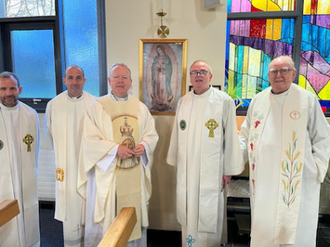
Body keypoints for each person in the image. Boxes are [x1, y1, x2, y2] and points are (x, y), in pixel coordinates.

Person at [239, 55, 330, 247]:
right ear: (268, 75)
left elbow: (322, 138)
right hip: (264, 179)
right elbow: (245, 136)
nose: (278, 75)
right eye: (274, 71)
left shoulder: (307, 101)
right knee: (265, 228)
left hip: (298, 179)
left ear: (293, 74)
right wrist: (233, 164)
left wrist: (316, 169)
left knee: (295, 233)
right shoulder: (258, 101)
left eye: (284, 71)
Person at [77, 63, 159, 247]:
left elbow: (151, 133)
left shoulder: (140, 108)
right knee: (110, 218)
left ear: (130, 82)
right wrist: (115, 150)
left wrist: (144, 146)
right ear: (109, 81)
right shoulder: (96, 107)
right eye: (116, 77)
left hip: (134, 170)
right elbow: (89, 141)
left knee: (132, 215)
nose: (120, 81)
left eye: (124, 78)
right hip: (110, 174)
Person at [167, 60, 244, 247]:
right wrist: (177, 162)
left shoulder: (223, 100)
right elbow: (177, 134)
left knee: (209, 213)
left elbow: (232, 138)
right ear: (190, 77)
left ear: (210, 76)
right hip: (187, 170)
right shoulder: (184, 101)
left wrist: (228, 170)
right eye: (194, 72)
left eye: (203, 72)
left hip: (213, 170)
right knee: (189, 215)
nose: (198, 75)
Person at [45, 65, 96, 246]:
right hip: (66, 168)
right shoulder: (54, 105)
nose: (75, 82)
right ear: (64, 80)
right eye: (71, 78)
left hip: (87, 168)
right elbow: (51, 134)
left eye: (78, 77)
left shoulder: (95, 103)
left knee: (89, 210)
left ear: (84, 80)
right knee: (71, 215)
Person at [0, 71, 40, 246]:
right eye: (3, 89)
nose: (8, 93)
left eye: (12, 88)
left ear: (20, 89)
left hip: (26, 180)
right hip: (3, 182)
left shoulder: (30, 114)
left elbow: (35, 148)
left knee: (28, 214)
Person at [151, 44, 173, 111]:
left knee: (163, 87)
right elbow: (153, 67)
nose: (159, 51)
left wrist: (163, 66)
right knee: (157, 87)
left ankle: (164, 100)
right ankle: (157, 100)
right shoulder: (156, 58)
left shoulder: (167, 58)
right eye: (158, 50)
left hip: (164, 75)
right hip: (157, 75)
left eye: (160, 50)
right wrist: (157, 66)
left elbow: (169, 67)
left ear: (162, 50)